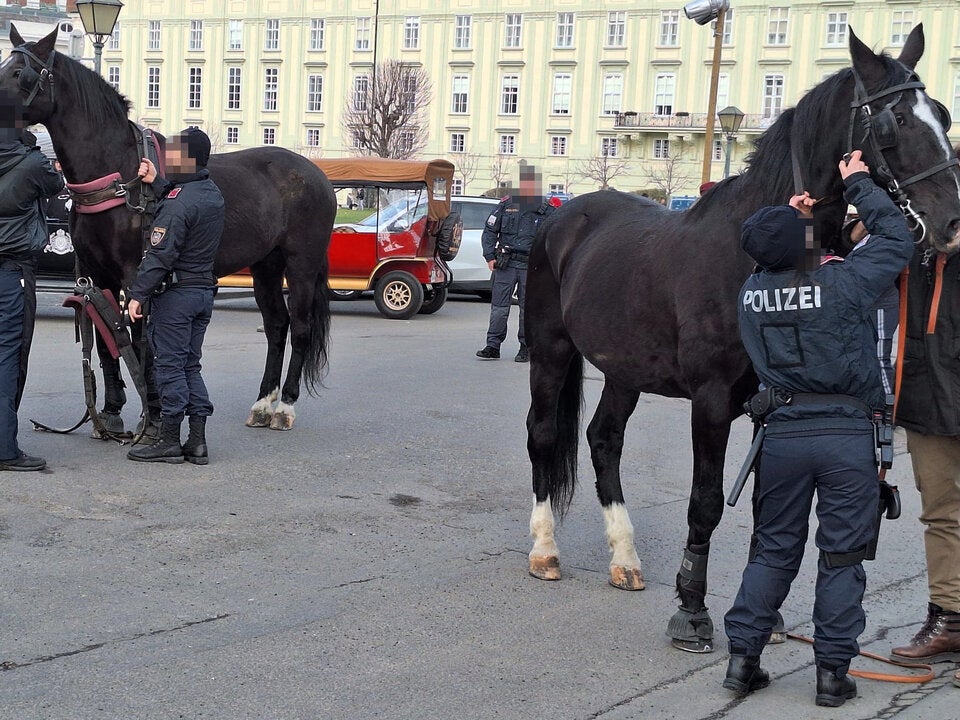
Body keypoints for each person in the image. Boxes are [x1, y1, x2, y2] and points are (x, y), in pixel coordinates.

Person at [722, 149, 914, 707]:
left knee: (773, 550)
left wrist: (791, 225)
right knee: (842, 556)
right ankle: (832, 675)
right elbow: (896, 239)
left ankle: (741, 662)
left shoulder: (751, 293)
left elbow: (777, 263)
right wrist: (857, 184)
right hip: (845, 437)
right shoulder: (845, 284)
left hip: (780, 435)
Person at [888, 148, 960, 678]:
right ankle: (951, 621)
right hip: (928, 403)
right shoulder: (912, 248)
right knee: (942, 516)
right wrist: (804, 224)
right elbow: (816, 268)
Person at [126, 127, 225, 465]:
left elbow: (160, 254)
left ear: (188, 158)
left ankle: (168, 440)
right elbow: (182, 199)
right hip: (202, 293)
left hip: (176, 298)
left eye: (173, 154)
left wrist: (138, 294)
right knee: (190, 366)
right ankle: (196, 442)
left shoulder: (178, 202)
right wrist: (158, 183)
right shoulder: (211, 193)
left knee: (169, 367)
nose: (167, 158)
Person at [0, 92, 64, 471]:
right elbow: (55, 186)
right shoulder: (31, 161)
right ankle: (5, 448)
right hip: (12, 271)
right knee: (8, 357)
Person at [476, 162, 557, 363]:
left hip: (532, 267)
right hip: (506, 264)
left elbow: (556, 238)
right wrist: (489, 256)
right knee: (499, 308)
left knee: (527, 310)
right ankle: (493, 346)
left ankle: (525, 348)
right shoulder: (506, 205)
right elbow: (489, 231)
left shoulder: (546, 210)